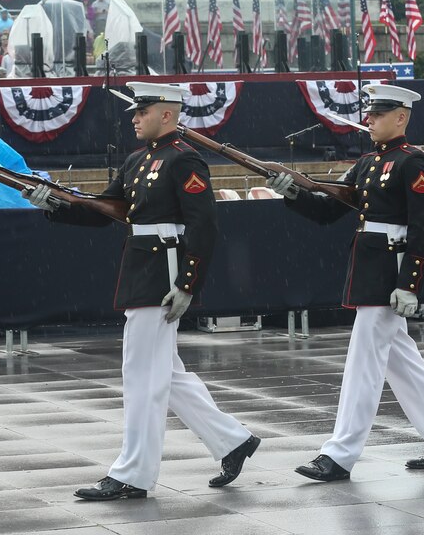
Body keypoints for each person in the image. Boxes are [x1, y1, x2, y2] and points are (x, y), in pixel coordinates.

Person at [24, 82, 260, 500]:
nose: (133, 118)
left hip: (163, 274)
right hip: (141, 269)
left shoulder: (185, 160)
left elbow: (203, 227)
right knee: (163, 375)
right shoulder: (137, 160)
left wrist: (188, 284)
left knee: (141, 378)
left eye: (142, 111)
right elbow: (103, 211)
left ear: (167, 114)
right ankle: (231, 440)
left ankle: (133, 473)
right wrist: (54, 204)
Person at [267, 84, 424, 482]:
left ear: (401, 117)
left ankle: (340, 454)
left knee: (363, 365)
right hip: (369, 269)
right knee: (401, 363)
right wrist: (292, 192)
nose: (369, 120)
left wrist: (410, 283)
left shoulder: (414, 164)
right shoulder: (367, 164)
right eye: (369, 114)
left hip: (388, 274)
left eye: (377, 115)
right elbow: (329, 211)